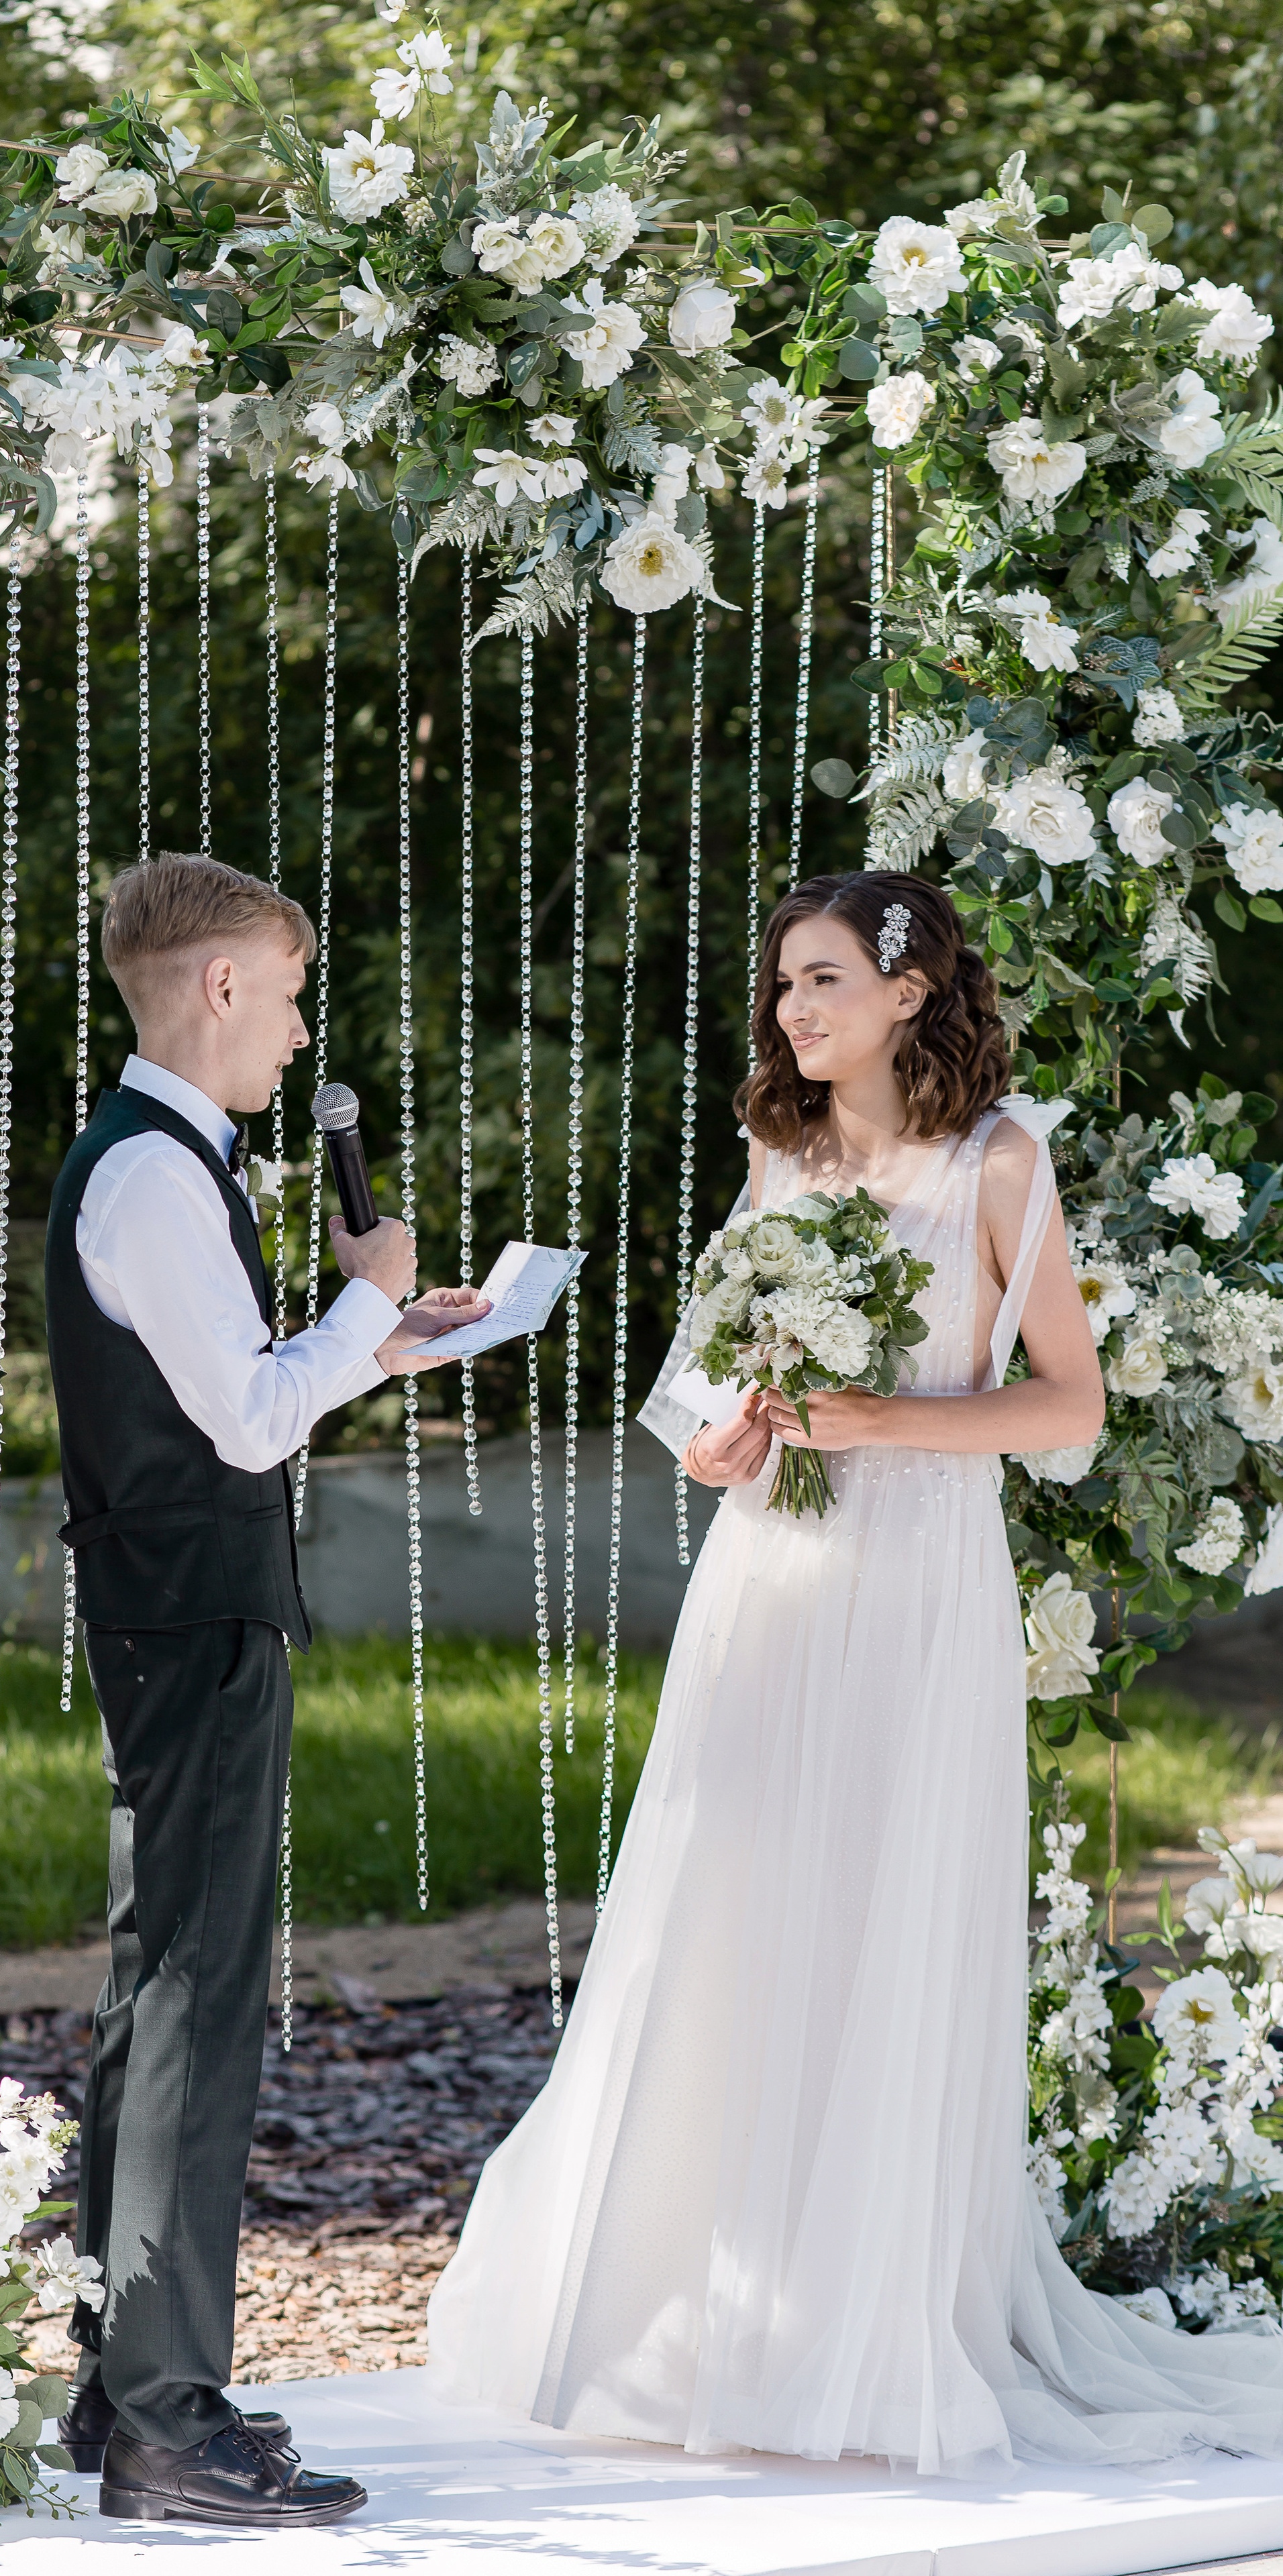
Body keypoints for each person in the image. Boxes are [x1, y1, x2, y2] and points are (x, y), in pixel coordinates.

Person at [429, 869, 1283, 2473]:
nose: (792, 1009)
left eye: (821, 979)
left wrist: (883, 1424)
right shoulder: (780, 1148)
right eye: (781, 986)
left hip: (913, 1579)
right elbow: (698, 1391)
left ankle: (865, 2320)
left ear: (906, 991)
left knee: (881, 1909)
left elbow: (1067, 1407)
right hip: (772, 1576)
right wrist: (724, 1441)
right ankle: (705, 2315)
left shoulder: (996, 1161)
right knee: (738, 1907)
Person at [46, 851, 485, 2527]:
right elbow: (239, 1420)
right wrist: (362, 1303)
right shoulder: (150, 1180)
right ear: (220, 987)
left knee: (161, 1990)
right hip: (192, 1623)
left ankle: (121, 2391)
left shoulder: (164, 1165)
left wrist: (376, 1341)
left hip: (184, 1615)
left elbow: (237, 1390)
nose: (300, 1035)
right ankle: (168, 2419)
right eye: (289, 997)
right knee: (192, 2012)